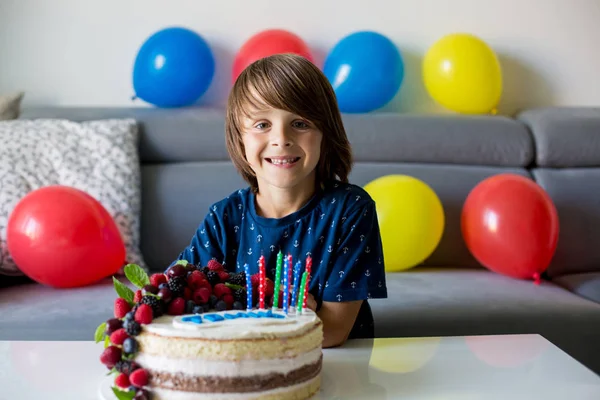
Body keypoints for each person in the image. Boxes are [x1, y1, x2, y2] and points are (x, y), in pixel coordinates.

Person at [169, 53, 387, 348]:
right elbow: (177, 293)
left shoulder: (350, 211)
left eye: (300, 123)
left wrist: (244, 317)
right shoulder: (224, 218)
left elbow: (334, 330)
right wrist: (287, 317)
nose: (281, 138)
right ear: (239, 138)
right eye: (261, 125)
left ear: (326, 133)